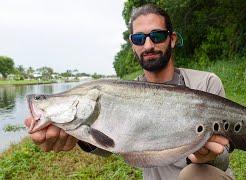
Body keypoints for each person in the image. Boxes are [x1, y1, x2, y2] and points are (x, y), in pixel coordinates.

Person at [25, 4, 234, 180]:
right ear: (132, 45)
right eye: (139, 39)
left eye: (157, 35)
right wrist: (79, 136)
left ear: (172, 39)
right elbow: (108, 143)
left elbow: (223, 158)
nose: (148, 45)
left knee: (193, 175)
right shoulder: (122, 94)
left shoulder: (205, 83)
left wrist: (205, 156)